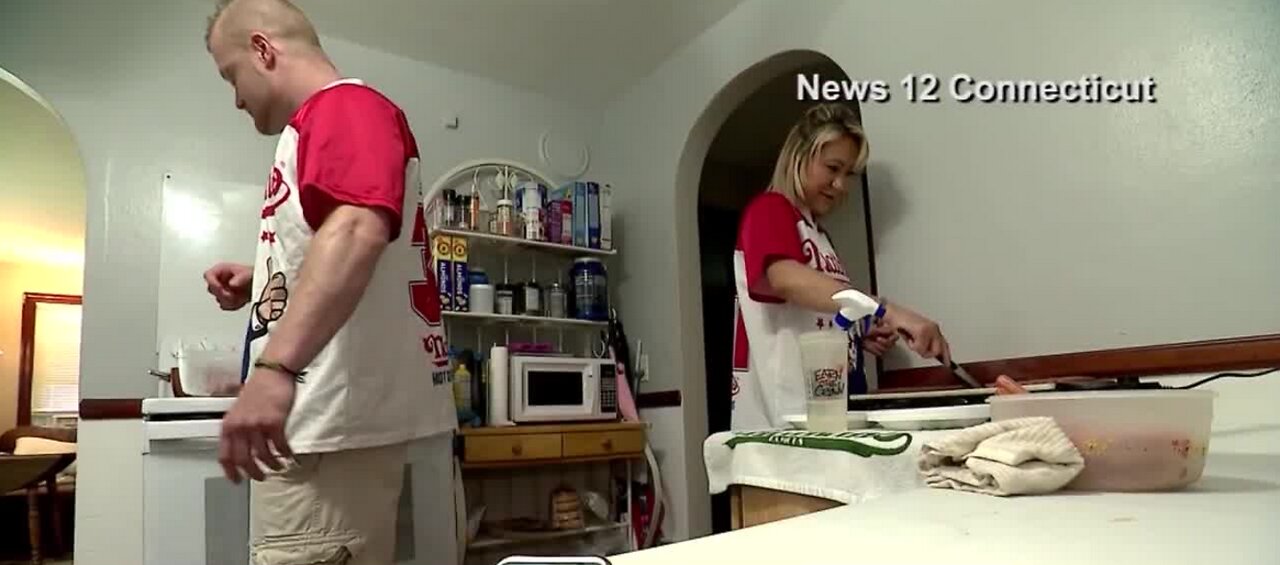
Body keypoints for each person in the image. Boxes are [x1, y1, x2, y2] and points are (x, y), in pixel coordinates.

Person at [202, 1, 455, 563]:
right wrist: (267, 277)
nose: (236, 98)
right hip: (326, 433)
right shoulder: (333, 119)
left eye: (230, 75)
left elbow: (359, 227)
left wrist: (273, 369)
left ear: (263, 50)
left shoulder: (342, 106)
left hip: (322, 434)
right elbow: (347, 232)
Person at [730, 103, 953, 430]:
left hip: (828, 408)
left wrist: (858, 333)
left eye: (847, 173)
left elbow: (815, 313)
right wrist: (885, 310)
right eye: (832, 168)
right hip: (785, 417)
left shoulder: (820, 236)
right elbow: (784, 279)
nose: (840, 185)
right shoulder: (770, 209)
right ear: (799, 156)